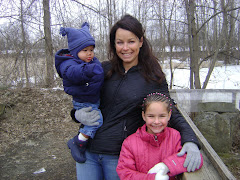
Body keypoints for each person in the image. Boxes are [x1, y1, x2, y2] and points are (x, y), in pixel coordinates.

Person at [71, 14, 201, 180]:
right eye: (120, 42)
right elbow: (82, 100)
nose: (125, 48)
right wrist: (76, 114)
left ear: (140, 42)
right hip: (87, 151)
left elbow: (170, 111)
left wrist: (190, 140)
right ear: (114, 44)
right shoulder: (101, 69)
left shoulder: (153, 77)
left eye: (131, 41)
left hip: (118, 156)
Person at [116, 92, 203, 180]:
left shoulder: (175, 137)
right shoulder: (130, 143)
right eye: (151, 116)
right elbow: (125, 172)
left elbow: (193, 159)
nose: (156, 121)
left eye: (162, 116)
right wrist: (152, 178)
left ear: (169, 115)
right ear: (144, 116)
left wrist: (167, 166)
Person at [55, 22, 104, 163]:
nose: (89, 54)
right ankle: (78, 142)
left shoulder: (92, 62)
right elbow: (74, 73)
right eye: (85, 50)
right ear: (75, 51)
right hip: (83, 101)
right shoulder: (69, 64)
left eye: (91, 50)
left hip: (91, 98)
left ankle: (81, 141)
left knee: (94, 120)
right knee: (96, 120)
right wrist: (88, 70)